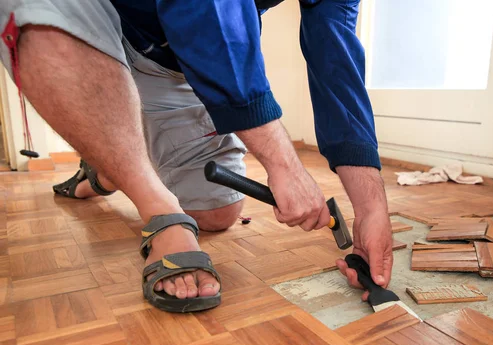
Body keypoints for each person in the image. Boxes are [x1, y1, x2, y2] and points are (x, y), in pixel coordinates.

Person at [0, 0, 393, 312]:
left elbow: (337, 59)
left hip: (174, 58)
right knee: (38, 12)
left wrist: (371, 208)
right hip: (91, 18)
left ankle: (107, 169)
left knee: (216, 213)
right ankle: (155, 205)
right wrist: (282, 165)